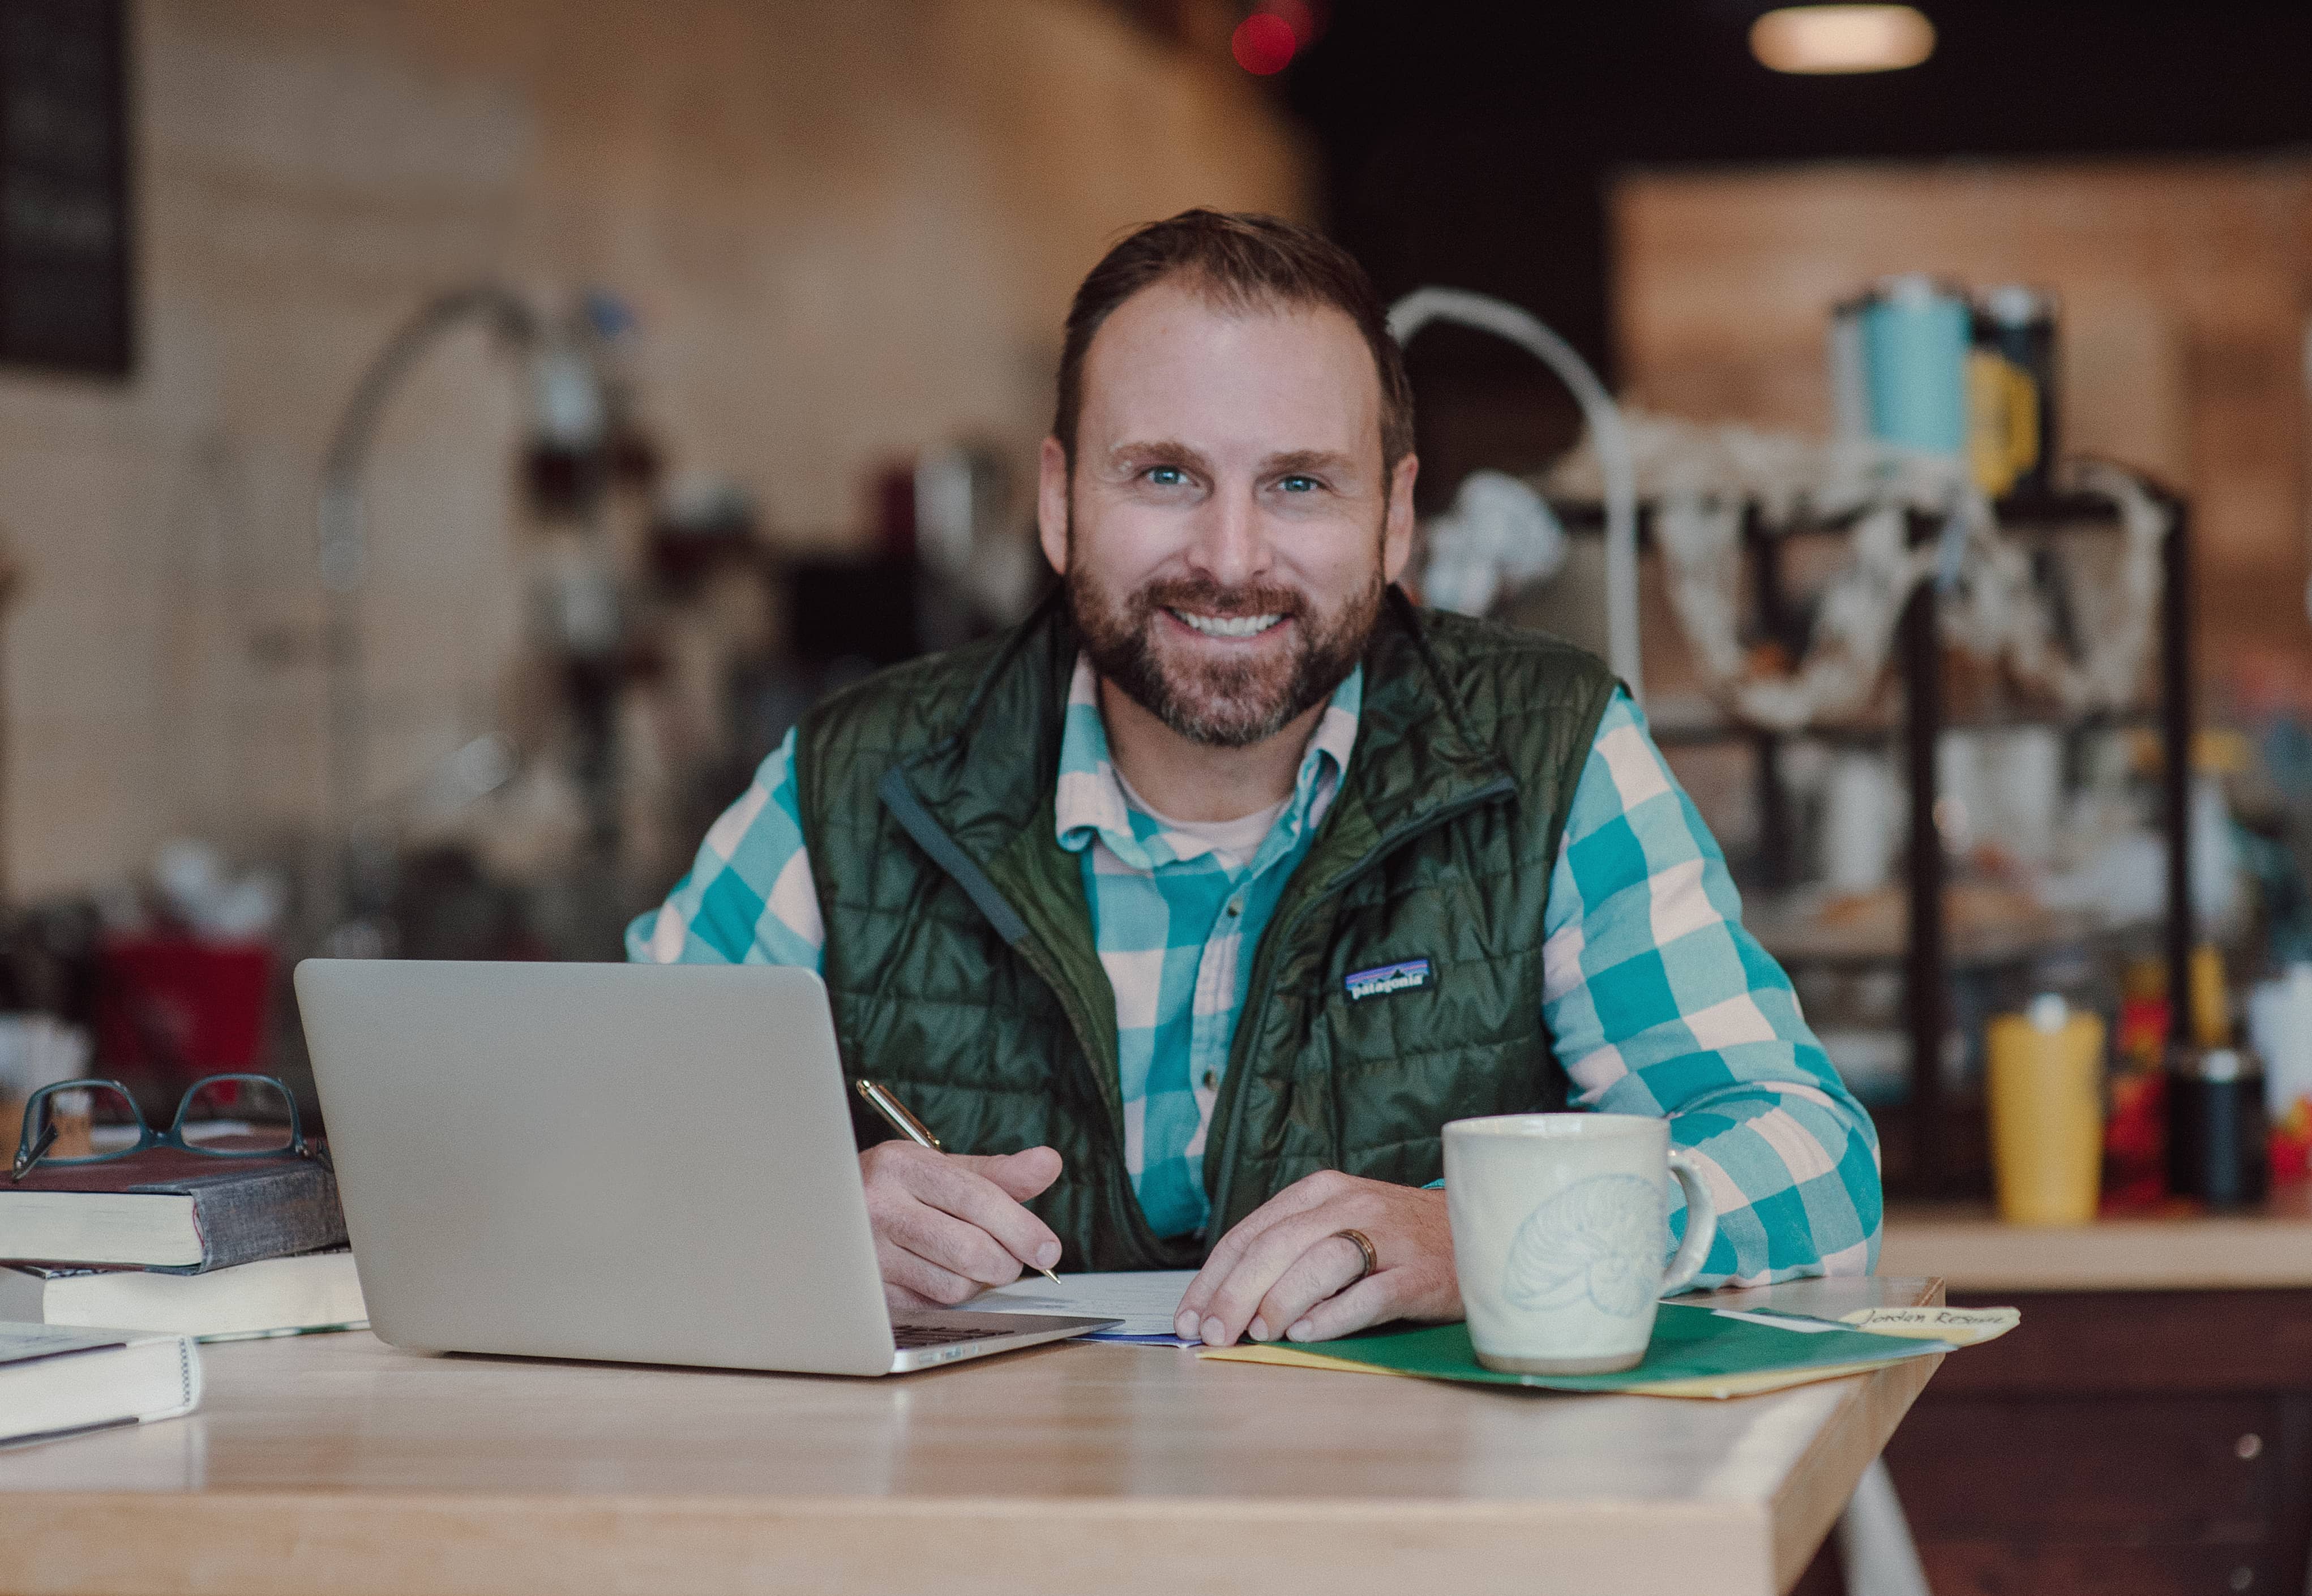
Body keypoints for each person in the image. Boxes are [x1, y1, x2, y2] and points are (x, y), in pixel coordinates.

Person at [628, 209, 1879, 1349]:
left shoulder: (1550, 750)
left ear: (1395, 522)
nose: (1230, 560)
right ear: (1062, 502)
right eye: (1165, 475)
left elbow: (1812, 1161)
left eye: (1298, 484)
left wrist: (1489, 1239)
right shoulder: (855, 777)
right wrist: (794, 1217)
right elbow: (577, 1148)